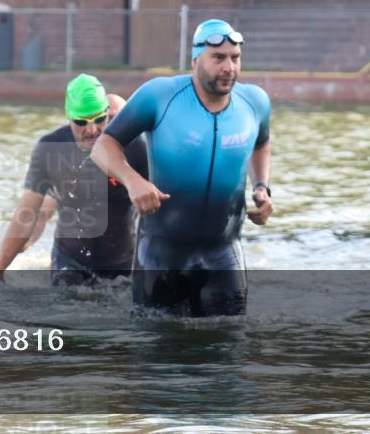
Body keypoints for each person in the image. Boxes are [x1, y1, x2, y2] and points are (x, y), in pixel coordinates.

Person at [91, 19, 273, 317]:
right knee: (158, 353)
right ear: (194, 60)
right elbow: (104, 146)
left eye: (235, 58)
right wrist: (133, 181)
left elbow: (262, 142)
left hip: (223, 254)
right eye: (218, 58)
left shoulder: (254, 102)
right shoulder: (160, 96)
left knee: (227, 353)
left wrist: (262, 187)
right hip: (162, 255)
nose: (229, 67)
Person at [0, 76, 147, 286]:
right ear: (69, 118)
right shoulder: (50, 148)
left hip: (122, 264)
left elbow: (163, 211)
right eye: (81, 122)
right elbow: (26, 214)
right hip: (69, 261)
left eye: (99, 120)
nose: (91, 130)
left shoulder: (135, 146)